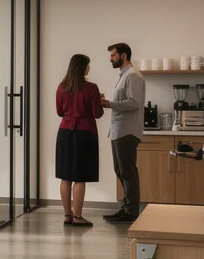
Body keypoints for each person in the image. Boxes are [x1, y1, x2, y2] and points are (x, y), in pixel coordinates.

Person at [55, 53, 104, 227]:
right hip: (84, 133)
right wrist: (100, 101)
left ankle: (67, 215)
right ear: (83, 67)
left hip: (64, 133)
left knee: (65, 176)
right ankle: (78, 216)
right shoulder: (91, 88)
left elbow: (60, 112)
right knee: (80, 177)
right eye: (88, 65)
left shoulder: (62, 87)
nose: (89, 68)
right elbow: (97, 114)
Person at [102, 42, 145, 224]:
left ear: (124, 56)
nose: (110, 58)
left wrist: (110, 104)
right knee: (120, 170)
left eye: (113, 55)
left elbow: (134, 102)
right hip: (119, 131)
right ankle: (126, 209)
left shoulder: (133, 76)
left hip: (127, 131)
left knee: (127, 172)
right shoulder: (125, 76)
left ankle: (131, 212)